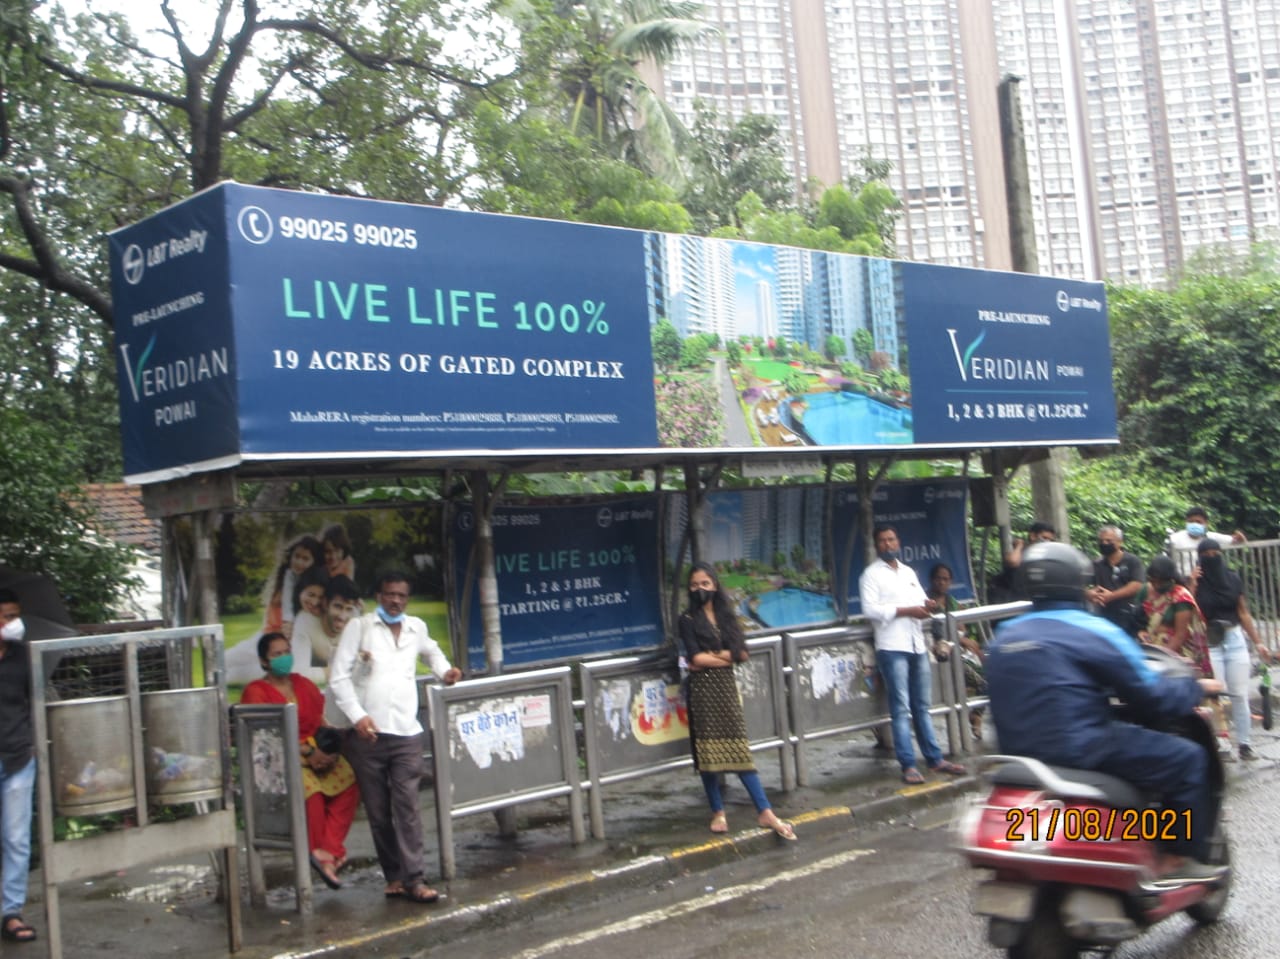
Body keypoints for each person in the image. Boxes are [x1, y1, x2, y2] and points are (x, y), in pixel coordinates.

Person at [985, 542, 1225, 880]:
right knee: (1188, 760)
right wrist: (1193, 688)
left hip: (1016, 754)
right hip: (1082, 747)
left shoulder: (1004, 636)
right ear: (1074, 583)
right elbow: (1150, 694)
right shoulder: (1093, 630)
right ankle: (1177, 857)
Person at [328, 571, 461, 904]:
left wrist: (445, 672)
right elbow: (338, 677)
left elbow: (432, 653)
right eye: (390, 594)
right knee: (378, 810)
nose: (396, 601)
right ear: (378, 596)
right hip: (367, 735)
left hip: (406, 732)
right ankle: (394, 876)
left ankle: (416, 878)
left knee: (407, 805)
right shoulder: (360, 628)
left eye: (401, 595)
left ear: (407, 598)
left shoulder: (416, 627)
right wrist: (358, 717)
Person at [678, 562, 796, 840]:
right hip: (703, 694)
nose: (700, 589)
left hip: (727, 691)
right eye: (695, 585)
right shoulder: (687, 619)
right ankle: (717, 811)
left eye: (705, 584)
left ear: (715, 585)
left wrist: (714, 656)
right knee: (708, 755)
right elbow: (695, 658)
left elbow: (742, 653)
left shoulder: (726, 615)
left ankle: (764, 810)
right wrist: (722, 656)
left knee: (739, 751)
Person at [240, 632, 359, 890]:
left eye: (287, 651)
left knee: (349, 780)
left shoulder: (302, 683)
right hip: (280, 759)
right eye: (277, 654)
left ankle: (329, 850)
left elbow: (321, 720)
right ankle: (320, 853)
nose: (284, 658)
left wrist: (331, 750)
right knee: (311, 793)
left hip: (316, 749)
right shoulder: (256, 692)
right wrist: (307, 753)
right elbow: (264, 739)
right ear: (264, 661)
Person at [859, 526, 966, 784]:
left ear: (898, 542)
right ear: (877, 545)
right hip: (892, 645)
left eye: (891, 539)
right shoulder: (870, 575)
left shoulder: (908, 572)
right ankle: (907, 764)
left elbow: (922, 601)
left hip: (917, 644)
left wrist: (927, 606)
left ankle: (934, 758)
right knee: (901, 708)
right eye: (882, 541)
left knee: (922, 705)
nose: (887, 544)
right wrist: (908, 611)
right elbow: (870, 610)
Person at [1194, 539, 1273, 761]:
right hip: (1211, 641)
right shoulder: (1196, 583)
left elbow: (1243, 612)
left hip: (1235, 637)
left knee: (1239, 694)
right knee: (1214, 694)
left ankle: (1245, 744)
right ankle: (1222, 743)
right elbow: (1190, 609)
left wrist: (1258, 642)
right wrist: (1191, 583)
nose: (1212, 557)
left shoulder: (1232, 579)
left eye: (1215, 552)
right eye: (1206, 554)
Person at [0, 589, 36, 943]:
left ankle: (11, 911)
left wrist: (34, 745)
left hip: (18, 757)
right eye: (5, 617)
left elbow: (37, 699)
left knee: (16, 838)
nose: (12, 624)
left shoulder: (25, 656)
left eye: (15, 615)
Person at [926, 563, 987, 741]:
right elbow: (932, 632)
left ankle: (976, 716)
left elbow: (962, 627)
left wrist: (966, 642)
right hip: (939, 657)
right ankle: (973, 717)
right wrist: (959, 639)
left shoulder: (952, 603)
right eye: (939, 578)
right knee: (981, 683)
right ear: (932, 580)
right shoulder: (926, 602)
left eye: (946, 579)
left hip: (959, 654)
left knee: (986, 678)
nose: (942, 583)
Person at [290, 575, 361, 679]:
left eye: (348, 609)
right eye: (338, 606)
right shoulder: (305, 621)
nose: (342, 616)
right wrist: (341, 670)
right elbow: (298, 672)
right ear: (325, 603)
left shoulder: (355, 619)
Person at [1086, 524, 1145, 636]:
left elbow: (1137, 585)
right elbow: (1082, 583)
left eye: (1108, 541)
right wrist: (1089, 593)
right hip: (1103, 616)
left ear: (1119, 542)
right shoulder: (1097, 563)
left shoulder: (1132, 561)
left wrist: (1112, 596)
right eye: (1101, 541)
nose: (1104, 544)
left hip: (1129, 616)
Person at [260, 535, 323, 638]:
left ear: (314, 561)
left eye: (305, 559)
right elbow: (287, 600)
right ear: (291, 556)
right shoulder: (289, 575)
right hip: (279, 630)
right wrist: (288, 622)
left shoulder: (316, 581)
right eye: (297, 556)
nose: (299, 562)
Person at [1167, 506, 1245, 580]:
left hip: (1207, 582)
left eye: (1198, 522)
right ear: (1186, 522)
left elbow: (1236, 540)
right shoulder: (1175, 538)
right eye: (1191, 521)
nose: (1194, 524)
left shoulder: (1211, 537)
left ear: (1206, 524)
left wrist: (1239, 537)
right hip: (1183, 581)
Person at [989, 521, 1055, 602]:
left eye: (1050, 540)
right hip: (1009, 598)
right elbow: (1013, 562)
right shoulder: (1021, 552)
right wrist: (1019, 546)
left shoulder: (1046, 557)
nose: (1047, 542)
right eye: (1044, 538)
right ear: (1033, 536)